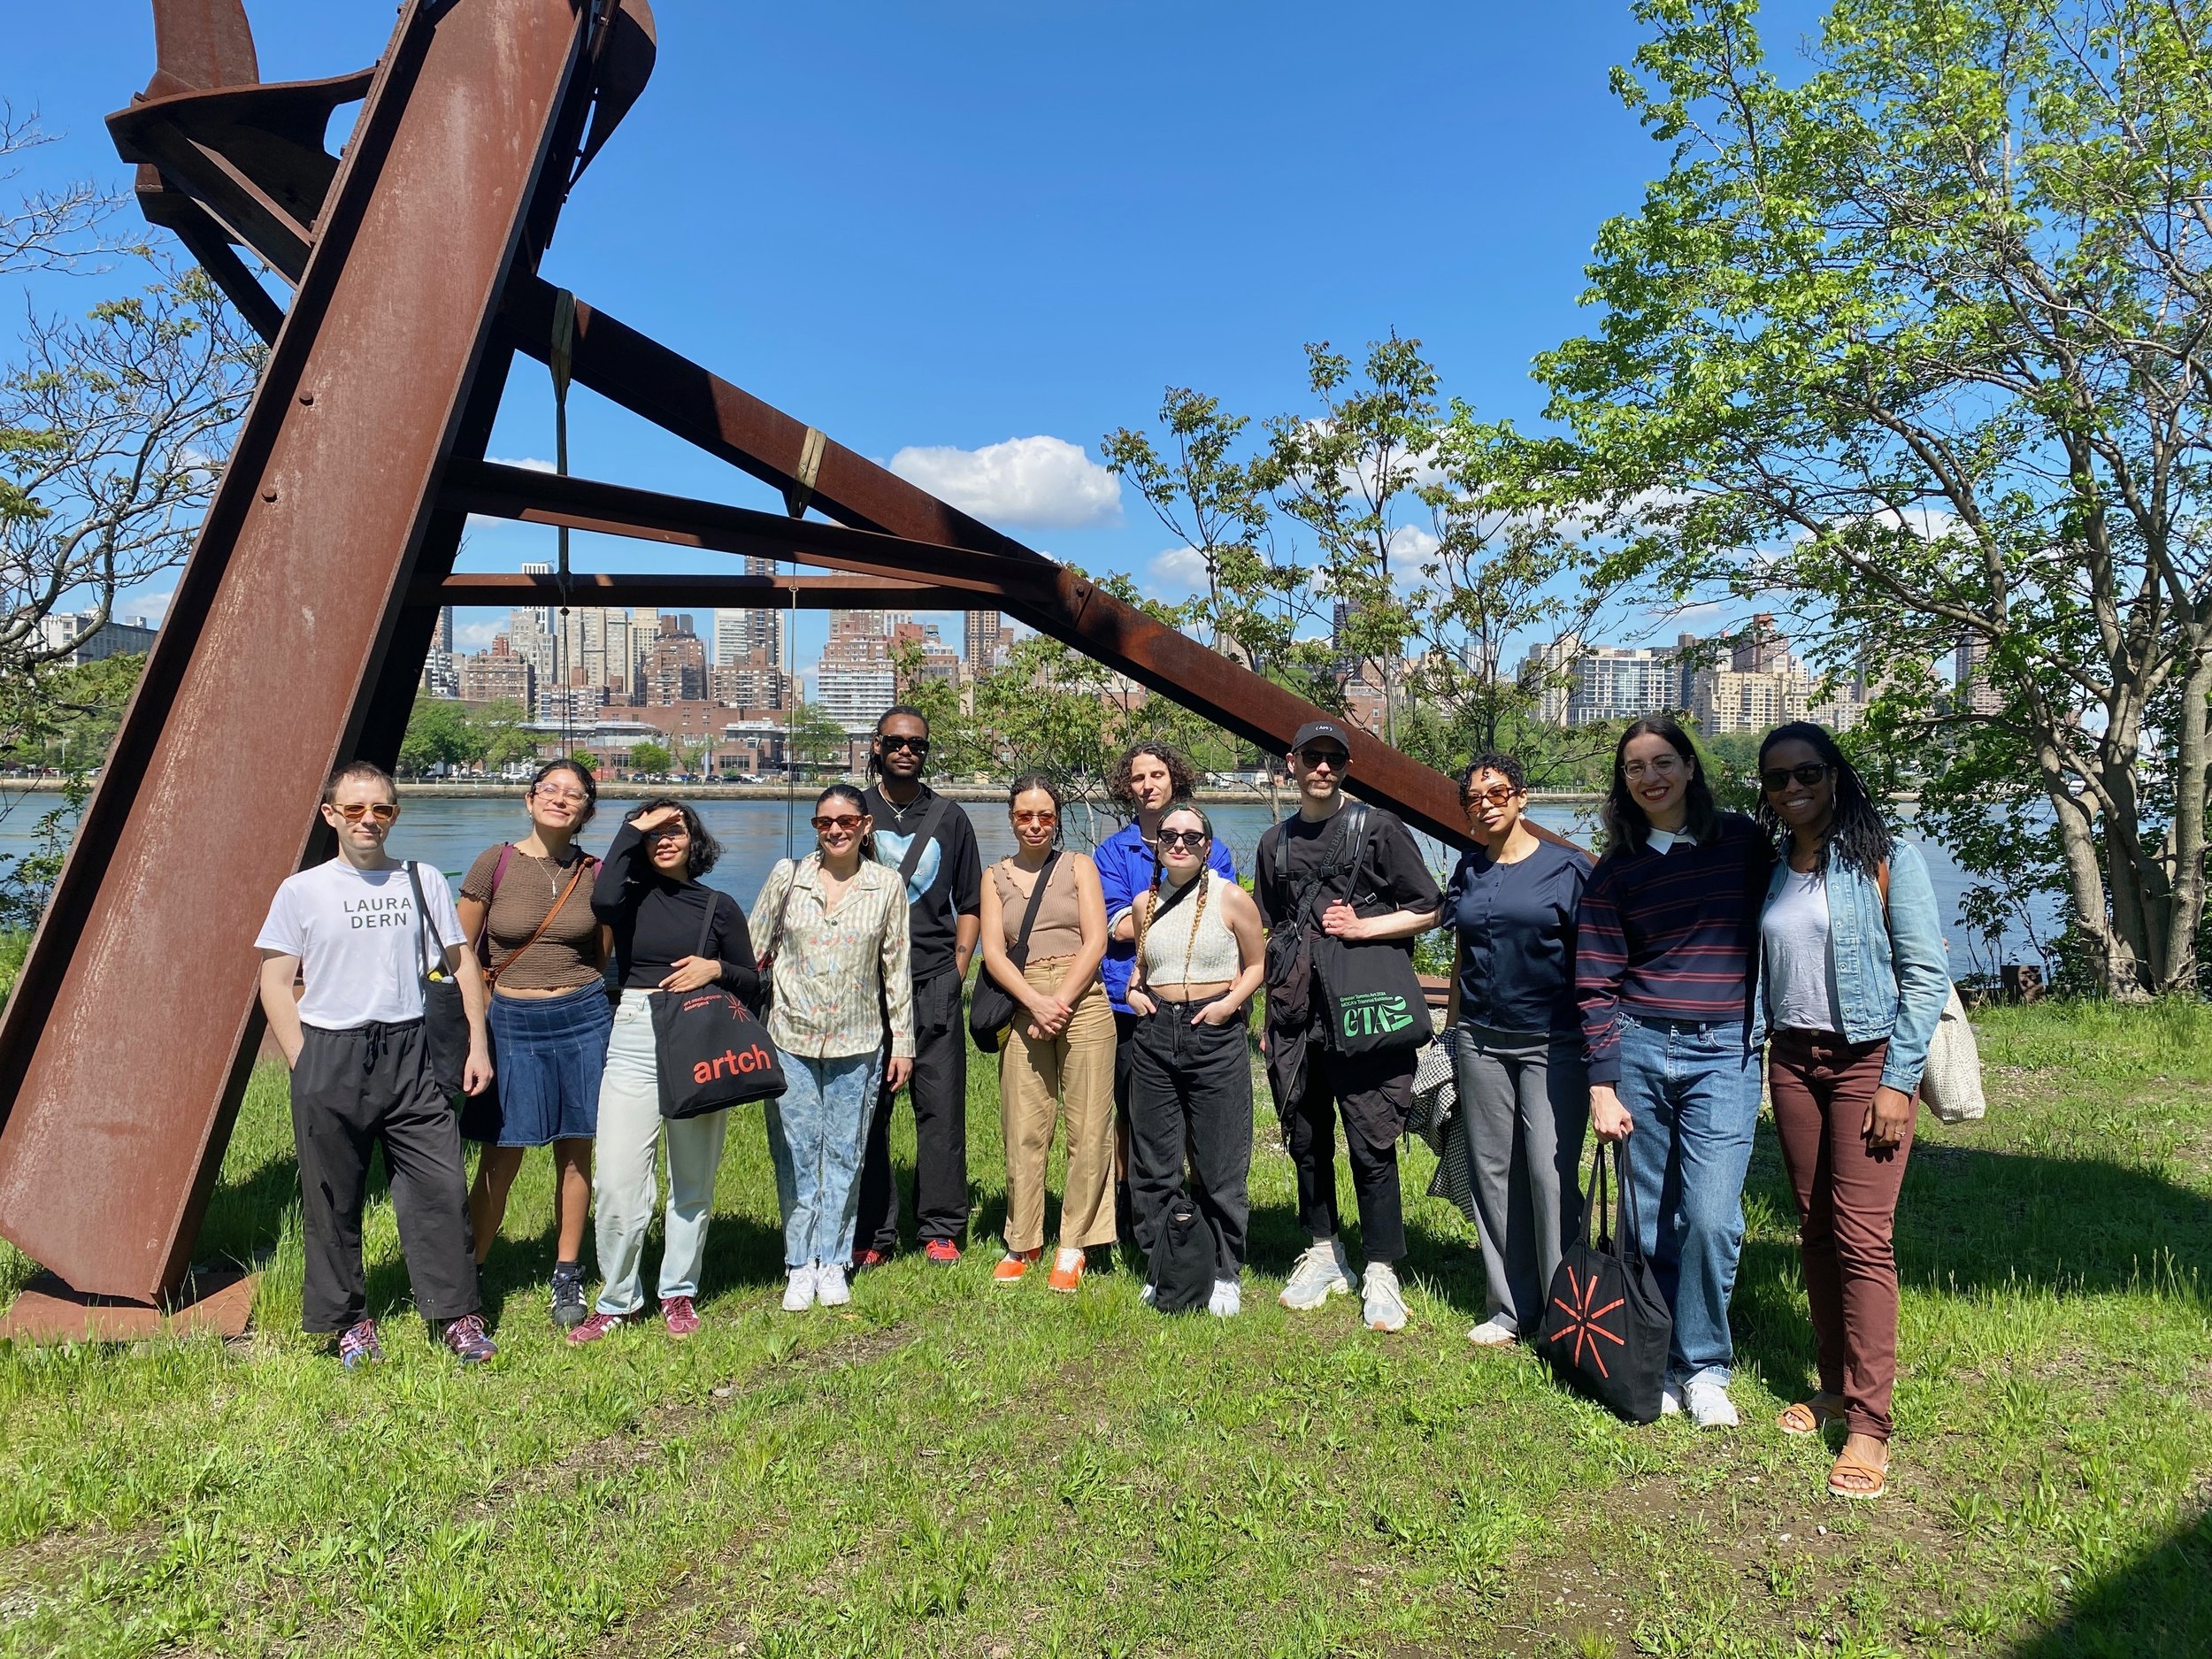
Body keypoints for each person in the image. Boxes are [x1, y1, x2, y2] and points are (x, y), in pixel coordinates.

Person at [1755, 722, 1949, 1500]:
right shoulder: (1775, 867)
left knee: (1864, 1236)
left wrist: (1899, 1080)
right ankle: (1833, 1385)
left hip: (1867, 1058)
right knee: (1813, 1226)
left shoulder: (1885, 855)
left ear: (1835, 774)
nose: (1793, 787)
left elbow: (1926, 973)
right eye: (1777, 778)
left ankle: (1870, 1424)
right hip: (1794, 1061)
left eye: (1808, 771)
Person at [254, 760, 496, 1367]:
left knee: (440, 1186)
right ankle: (348, 1322)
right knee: (331, 1196)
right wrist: (303, 1062)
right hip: (330, 1050)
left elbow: (461, 963)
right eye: (355, 809)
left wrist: (477, 1041)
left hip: (412, 1049)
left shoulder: (419, 880)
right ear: (331, 814)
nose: (369, 820)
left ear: (395, 813)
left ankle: (456, 1314)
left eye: (381, 809)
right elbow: (275, 982)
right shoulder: (302, 890)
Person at [1578, 716, 1774, 1426]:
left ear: (1691, 768)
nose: (1650, 776)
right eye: (1635, 767)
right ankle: (1658, 1356)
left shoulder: (1745, 844)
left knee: (1712, 1217)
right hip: (1639, 1046)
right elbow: (1596, 980)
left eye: (1663, 761)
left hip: (1725, 1049)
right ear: (1623, 783)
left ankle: (1706, 1365)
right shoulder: (1616, 868)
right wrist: (1602, 1081)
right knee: (1647, 1217)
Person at [1256, 718, 1443, 1333]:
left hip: (1363, 1011)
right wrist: (1269, 1016)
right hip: (1298, 1017)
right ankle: (1323, 1249)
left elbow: (1431, 906)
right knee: (1306, 1137)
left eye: (1335, 758)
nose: (1323, 767)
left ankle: (1382, 1267)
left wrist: (1366, 926)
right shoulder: (1274, 843)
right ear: (1292, 762)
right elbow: (1273, 929)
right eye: (1313, 756)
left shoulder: (1377, 828)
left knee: (1371, 1139)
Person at [569, 800, 758, 1346]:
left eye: (677, 829)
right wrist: (634, 829)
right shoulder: (626, 900)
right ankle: (617, 1299)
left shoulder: (717, 907)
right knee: (617, 1180)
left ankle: (678, 1290)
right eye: (653, 833)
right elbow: (603, 897)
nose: (665, 839)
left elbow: (751, 981)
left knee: (691, 1179)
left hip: (696, 1038)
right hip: (632, 1032)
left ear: (695, 841)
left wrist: (715, 968)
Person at [1442, 752, 1594, 1348]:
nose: (1486, 803)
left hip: (1553, 1042)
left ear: (1522, 796)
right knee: (1494, 1173)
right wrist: (1452, 1035)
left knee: (1550, 1174)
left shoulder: (1567, 869)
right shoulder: (1468, 868)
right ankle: (1510, 1306)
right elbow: (1461, 957)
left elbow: (1595, 962)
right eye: (1474, 796)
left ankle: (1565, 1311)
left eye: (1498, 791)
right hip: (1480, 1040)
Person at [456, 758, 611, 1331]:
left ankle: (566, 1271)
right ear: (529, 798)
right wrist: (482, 1021)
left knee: (577, 1150)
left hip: (582, 1015)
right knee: (502, 1152)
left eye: (574, 794)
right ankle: (467, 1272)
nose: (560, 799)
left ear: (585, 811)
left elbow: (599, 953)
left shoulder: (595, 871)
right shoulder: (493, 863)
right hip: (510, 1019)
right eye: (550, 788)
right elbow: (460, 949)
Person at [751, 786, 916, 1311]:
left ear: (866, 825)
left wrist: (903, 1044)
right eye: (825, 822)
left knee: (846, 1154)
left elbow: (896, 972)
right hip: (789, 1039)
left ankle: (834, 1259)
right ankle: (799, 1263)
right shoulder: (788, 877)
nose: (836, 830)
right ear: (816, 827)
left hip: (860, 1039)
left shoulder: (887, 886)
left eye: (846, 821)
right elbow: (753, 949)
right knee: (796, 1154)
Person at [1123, 803, 1265, 1316]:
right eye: (1169, 836)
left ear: (1207, 845)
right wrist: (1135, 992)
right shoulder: (1144, 904)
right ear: (1157, 844)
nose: (1179, 843)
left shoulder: (1232, 898)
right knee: (1154, 1162)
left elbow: (1255, 965)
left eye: (1191, 836)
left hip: (1213, 1032)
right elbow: (1139, 968)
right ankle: (1162, 1263)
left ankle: (1225, 1269)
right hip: (1156, 1033)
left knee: (1220, 1159)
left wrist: (1228, 1004)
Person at [856, 706, 983, 1267]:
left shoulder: (950, 818)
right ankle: (872, 1234)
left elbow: (972, 903)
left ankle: (940, 1228)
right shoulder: (854, 814)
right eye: (896, 742)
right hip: (866, 983)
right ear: (878, 746)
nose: (907, 750)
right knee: (869, 1110)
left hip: (934, 978)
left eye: (918, 744)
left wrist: (957, 968)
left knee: (941, 1110)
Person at [978, 775, 1114, 1291]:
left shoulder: (1078, 866)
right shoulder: (995, 877)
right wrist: (1034, 1001)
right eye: (1024, 816)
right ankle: (1023, 1238)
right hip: (1023, 998)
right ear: (1011, 819)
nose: (1035, 825)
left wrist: (1060, 1001)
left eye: (1045, 816)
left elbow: (1096, 939)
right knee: (1025, 1127)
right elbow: (993, 952)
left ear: (1056, 819)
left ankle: (1074, 1242)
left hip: (1084, 997)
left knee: (1088, 1128)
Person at [1094, 741, 1237, 1236]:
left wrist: (1149, 911)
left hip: (1201, 1005)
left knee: (1202, 1122)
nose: (1148, 784)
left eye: (1157, 775)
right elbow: (1115, 926)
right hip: (1130, 1003)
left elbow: (1228, 916)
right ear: (1126, 786)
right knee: (1133, 1117)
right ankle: (1135, 1214)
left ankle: (1198, 1216)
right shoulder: (1113, 851)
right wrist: (1184, 901)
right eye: (1138, 777)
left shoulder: (1214, 846)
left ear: (1173, 780)